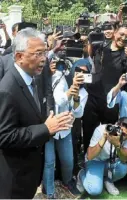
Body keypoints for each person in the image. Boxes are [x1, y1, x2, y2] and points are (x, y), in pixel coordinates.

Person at [0, 28, 73, 198]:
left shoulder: (32, 80)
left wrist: (53, 122)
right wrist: (45, 129)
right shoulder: (7, 90)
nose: (43, 60)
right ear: (19, 56)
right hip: (13, 180)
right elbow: (3, 136)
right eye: (38, 54)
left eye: (45, 53)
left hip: (29, 174)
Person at [83, 23, 127, 153]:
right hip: (92, 97)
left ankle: (109, 159)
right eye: (121, 34)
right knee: (88, 131)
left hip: (112, 100)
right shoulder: (100, 46)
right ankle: (88, 159)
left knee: (111, 132)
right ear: (114, 33)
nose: (123, 38)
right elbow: (88, 56)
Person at [42, 63, 89, 198]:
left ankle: (67, 182)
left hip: (65, 129)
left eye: (84, 72)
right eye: (78, 70)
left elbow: (78, 113)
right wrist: (70, 90)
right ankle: (49, 191)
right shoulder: (60, 78)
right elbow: (58, 101)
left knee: (68, 160)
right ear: (73, 70)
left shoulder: (83, 92)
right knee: (49, 162)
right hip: (50, 125)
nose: (80, 73)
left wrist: (75, 96)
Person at [76, 117, 127, 196]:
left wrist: (117, 145)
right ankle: (81, 174)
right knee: (94, 190)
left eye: (124, 135)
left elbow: (124, 159)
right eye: (119, 131)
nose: (120, 135)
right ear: (116, 125)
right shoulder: (102, 130)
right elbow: (90, 156)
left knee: (123, 168)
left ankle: (107, 180)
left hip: (110, 161)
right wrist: (103, 139)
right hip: (95, 160)